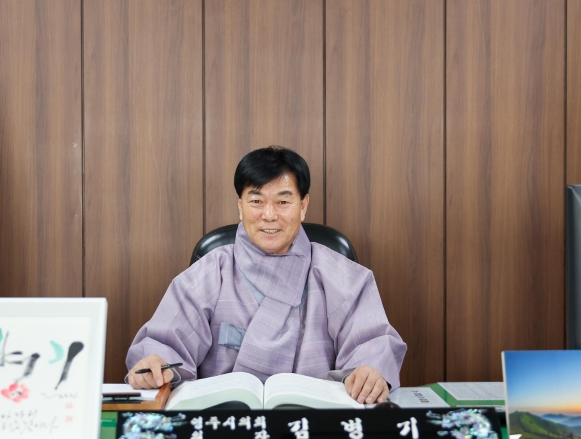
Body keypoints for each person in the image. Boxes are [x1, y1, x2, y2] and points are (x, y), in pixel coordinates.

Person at [126, 146, 407, 404]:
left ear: (303, 206)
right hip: (225, 424)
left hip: (316, 425)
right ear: (240, 206)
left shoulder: (346, 278)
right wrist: (155, 366)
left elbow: (373, 346)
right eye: (257, 201)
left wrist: (370, 373)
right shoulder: (206, 275)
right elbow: (163, 346)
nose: (269, 215)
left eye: (283, 202)